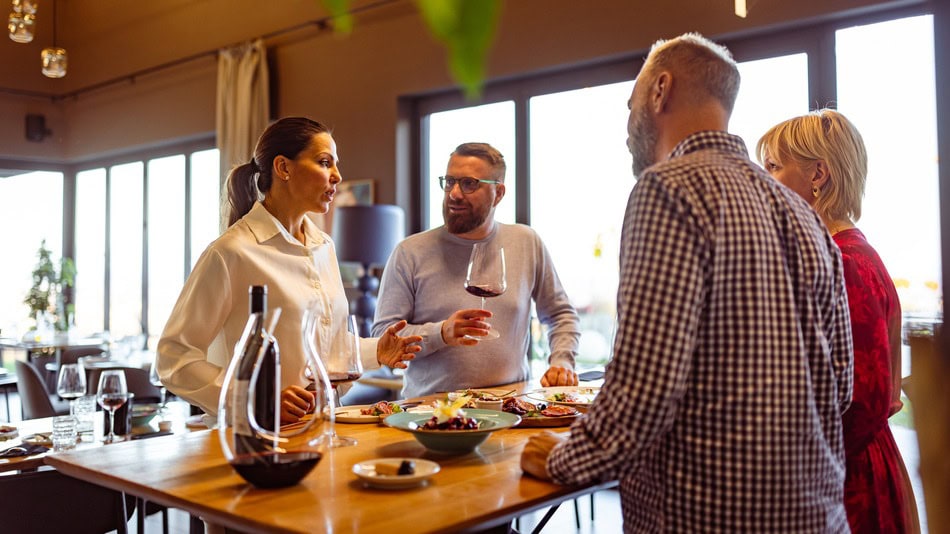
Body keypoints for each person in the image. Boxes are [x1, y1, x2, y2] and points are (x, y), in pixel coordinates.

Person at [520, 33, 854, 531]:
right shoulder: (803, 216)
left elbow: (645, 389)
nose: (628, 119)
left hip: (704, 517)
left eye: (631, 99)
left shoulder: (667, 189)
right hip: (816, 516)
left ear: (660, 91)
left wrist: (562, 458)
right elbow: (840, 382)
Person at [157, 117, 421, 424]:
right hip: (255, 438)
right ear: (283, 168)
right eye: (324, 163)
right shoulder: (232, 252)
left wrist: (379, 350)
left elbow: (328, 349)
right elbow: (173, 358)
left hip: (325, 429)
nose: (337, 176)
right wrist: (259, 399)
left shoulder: (324, 247)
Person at [757, 109, 919, 533]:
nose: (763, 181)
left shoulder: (844, 263)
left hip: (846, 486)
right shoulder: (849, 254)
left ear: (819, 175)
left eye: (773, 167)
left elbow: (860, 403)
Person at [372, 142, 581, 398]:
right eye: (449, 182)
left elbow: (561, 314)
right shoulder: (409, 252)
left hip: (512, 406)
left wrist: (562, 360)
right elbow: (384, 337)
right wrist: (441, 333)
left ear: (499, 193)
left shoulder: (527, 242)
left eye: (469, 183)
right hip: (429, 413)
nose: (454, 194)